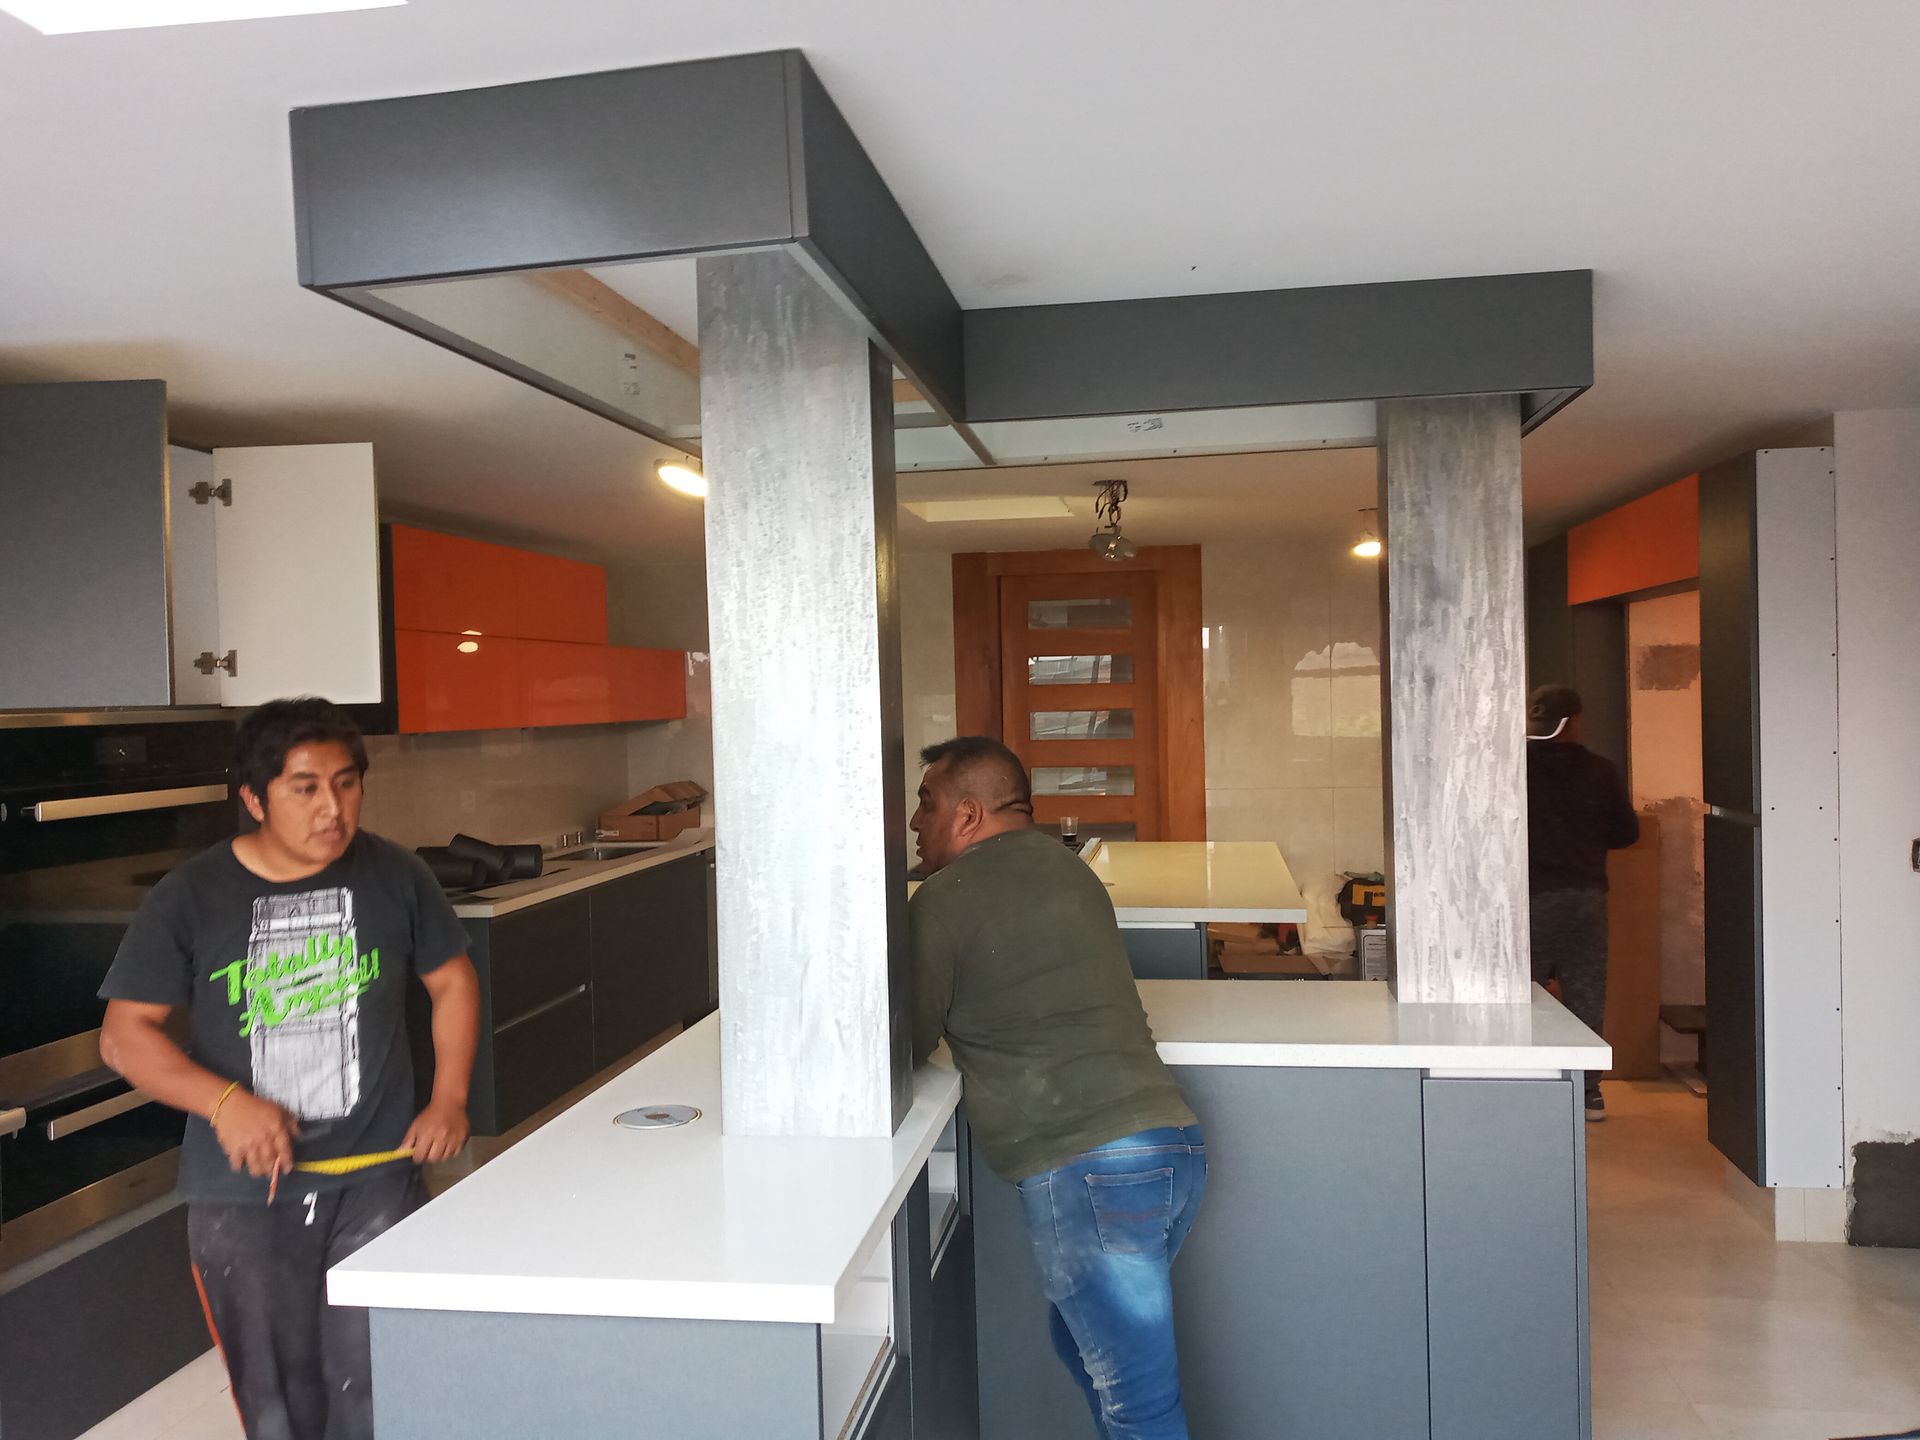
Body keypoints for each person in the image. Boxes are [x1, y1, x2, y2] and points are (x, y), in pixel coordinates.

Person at [99, 697, 480, 1440]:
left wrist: (450, 1097)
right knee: (281, 1404)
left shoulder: (394, 874)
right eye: (305, 788)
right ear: (253, 798)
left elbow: (452, 981)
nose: (332, 809)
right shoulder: (192, 897)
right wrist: (224, 1103)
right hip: (248, 1198)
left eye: (346, 783)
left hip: (379, 1178)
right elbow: (124, 1037)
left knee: (383, 1387)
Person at [909, 736, 1205, 1440]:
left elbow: (903, 1044)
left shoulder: (945, 899)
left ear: (968, 814)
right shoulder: (1073, 872)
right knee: (1083, 1348)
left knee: (1141, 1409)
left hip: (1091, 1172)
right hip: (1171, 1149)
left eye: (927, 803)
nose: (915, 822)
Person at [1525, 684, 1640, 1122]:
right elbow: (1627, 833)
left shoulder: (1510, 767)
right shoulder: (1600, 770)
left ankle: (1527, 1081)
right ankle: (1587, 1092)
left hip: (1528, 900)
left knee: (1523, 995)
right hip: (1584, 897)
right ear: (1575, 721)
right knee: (1586, 993)